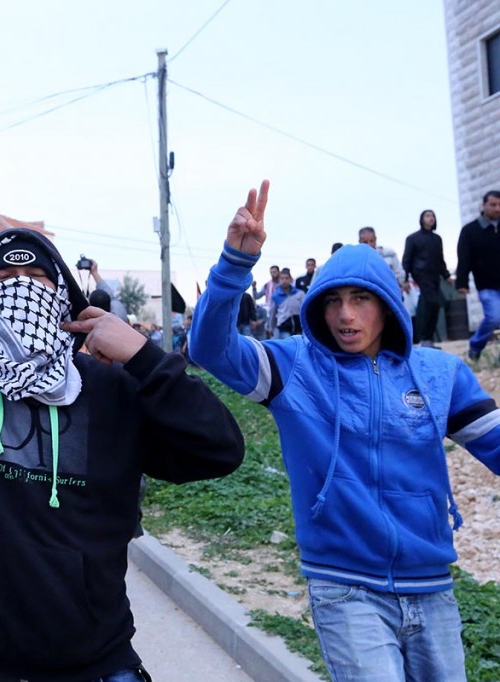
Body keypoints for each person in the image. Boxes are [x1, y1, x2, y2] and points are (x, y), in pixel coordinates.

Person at [0, 26, 245, 681]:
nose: (19, 288)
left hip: (97, 660)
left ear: (71, 306)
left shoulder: (109, 391)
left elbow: (218, 448)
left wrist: (143, 358)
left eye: (38, 278)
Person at [190, 180, 500, 682]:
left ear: (389, 303)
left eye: (361, 299)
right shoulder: (293, 369)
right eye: (332, 300)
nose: (345, 315)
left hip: (432, 586)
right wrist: (233, 264)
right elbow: (210, 349)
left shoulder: (441, 376)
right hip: (344, 588)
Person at [456, 190, 500, 361]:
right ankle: (475, 346)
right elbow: (464, 257)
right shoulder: (470, 231)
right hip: (487, 284)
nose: (497, 209)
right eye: (493, 205)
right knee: (495, 316)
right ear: (484, 206)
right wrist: (462, 282)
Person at [402, 209, 452, 348]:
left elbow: (440, 260)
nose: (431, 218)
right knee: (429, 302)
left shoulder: (437, 239)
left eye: (433, 216)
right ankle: (423, 338)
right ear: (422, 219)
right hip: (421, 275)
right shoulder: (413, 238)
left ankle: (429, 339)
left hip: (434, 275)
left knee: (436, 304)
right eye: (428, 216)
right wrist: (404, 279)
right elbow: (406, 260)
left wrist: (447, 276)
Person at [269, 267, 305, 338]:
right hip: (283, 326)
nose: (284, 280)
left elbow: (305, 309)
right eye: (282, 278)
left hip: (298, 326)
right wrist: (270, 327)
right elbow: (272, 313)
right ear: (279, 280)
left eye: (286, 278)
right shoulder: (275, 296)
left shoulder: (300, 293)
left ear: (290, 279)